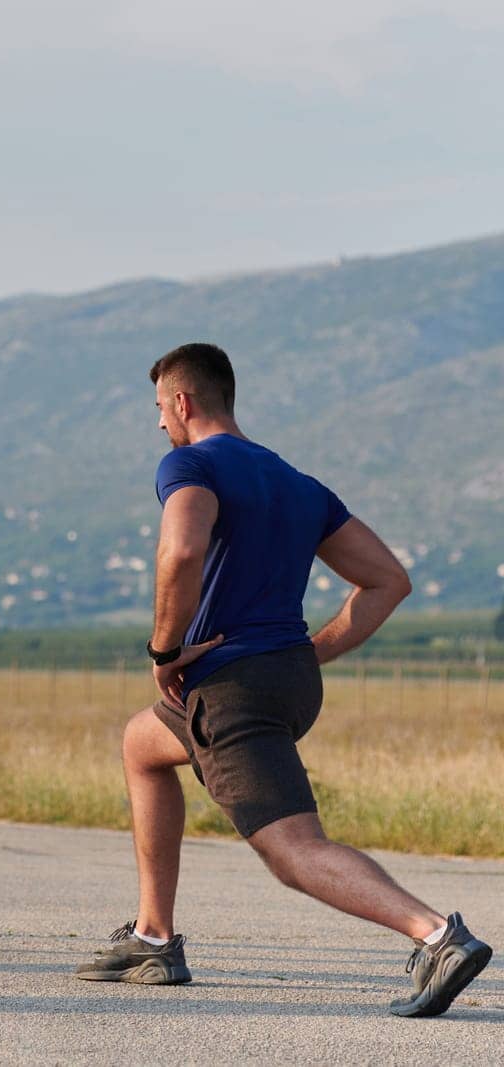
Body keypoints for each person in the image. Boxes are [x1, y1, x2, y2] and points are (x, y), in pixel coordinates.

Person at [73, 344, 491, 1018]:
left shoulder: (191, 463)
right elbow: (389, 580)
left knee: (293, 851)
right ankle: (153, 937)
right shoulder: (297, 482)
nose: (159, 425)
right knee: (141, 744)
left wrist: (164, 649)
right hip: (285, 678)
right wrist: (309, 652)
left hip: (231, 686)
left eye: (160, 409)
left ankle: (438, 936)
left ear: (182, 403)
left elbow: (181, 548)